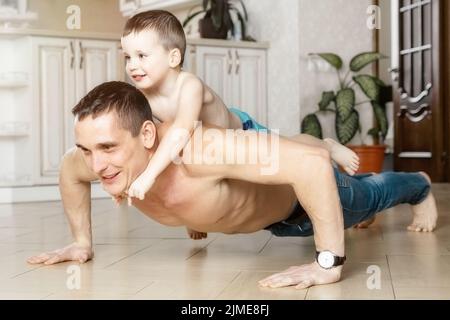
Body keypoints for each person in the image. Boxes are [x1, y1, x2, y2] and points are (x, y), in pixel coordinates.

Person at [27, 82, 438, 289]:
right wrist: (81, 241)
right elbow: (69, 172)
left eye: (107, 148)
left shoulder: (201, 151)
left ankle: (419, 184)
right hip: (266, 214)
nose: (96, 165)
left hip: (302, 206)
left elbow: (311, 166)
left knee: (373, 193)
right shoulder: (94, 161)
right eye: (86, 149)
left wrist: (326, 264)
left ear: (149, 136)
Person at [119, 10, 360, 207]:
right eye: (127, 57)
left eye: (141, 55)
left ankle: (326, 146)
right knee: (182, 161)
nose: (132, 65)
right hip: (209, 154)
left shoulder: (188, 84)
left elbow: (182, 130)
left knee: (292, 150)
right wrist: (124, 179)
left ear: (173, 58)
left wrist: (148, 176)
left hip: (242, 134)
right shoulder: (144, 98)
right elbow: (146, 142)